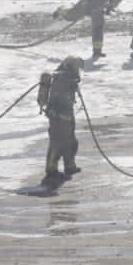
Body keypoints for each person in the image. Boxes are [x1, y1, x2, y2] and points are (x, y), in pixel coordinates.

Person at [37, 56, 84, 190]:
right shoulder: (61, 79)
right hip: (59, 117)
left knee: (70, 141)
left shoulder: (69, 78)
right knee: (57, 144)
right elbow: (58, 100)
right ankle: (51, 171)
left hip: (67, 116)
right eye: (77, 68)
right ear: (71, 66)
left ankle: (70, 166)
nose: (78, 72)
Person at [54, 0, 121, 59]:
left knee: (98, 27)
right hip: (85, 5)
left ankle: (97, 51)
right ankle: (61, 10)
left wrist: (110, 6)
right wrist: (85, 3)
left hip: (98, 9)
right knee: (70, 17)